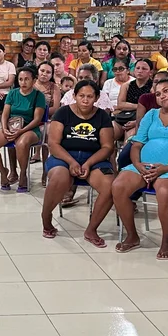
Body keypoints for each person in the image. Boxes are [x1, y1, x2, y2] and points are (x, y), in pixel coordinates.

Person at [113, 79, 168, 258]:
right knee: (118, 186)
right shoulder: (151, 115)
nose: (162, 96)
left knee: (163, 190)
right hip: (144, 167)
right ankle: (132, 235)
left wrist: (165, 168)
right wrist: (138, 165)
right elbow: (137, 145)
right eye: (158, 94)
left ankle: (166, 241)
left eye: (166, 91)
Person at [39, 80, 115, 245]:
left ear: (96, 98)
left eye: (89, 96)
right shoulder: (63, 113)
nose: (85, 100)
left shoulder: (102, 116)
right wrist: (72, 161)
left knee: (110, 186)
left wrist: (88, 163)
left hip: (95, 158)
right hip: (64, 156)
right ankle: (46, 217)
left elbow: (108, 147)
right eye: (81, 96)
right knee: (59, 177)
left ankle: (91, 229)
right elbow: (53, 144)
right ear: (74, 96)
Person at [0, 67, 47, 193]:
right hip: (11, 126)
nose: (23, 82)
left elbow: (37, 119)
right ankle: (4, 171)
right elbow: (5, 114)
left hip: (30, 128)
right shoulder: (13, 93)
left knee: (21, 144)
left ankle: (23, 174)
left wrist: (21, 131)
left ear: (34, 80)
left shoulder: (38, 96)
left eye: (26, 79)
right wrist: (4, 128)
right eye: (20, 79)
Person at [113, 58, 155, 141]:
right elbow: (120, 104)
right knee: (109, 135)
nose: (140, 71)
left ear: (150, 72)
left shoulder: (153, 87)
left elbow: (152, 109)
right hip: (123, 117)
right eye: (138, 68)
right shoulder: (126, 85)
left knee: (129, 138)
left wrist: (136, 121)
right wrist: (140, 107)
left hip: (141, 119)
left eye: (144, 69)